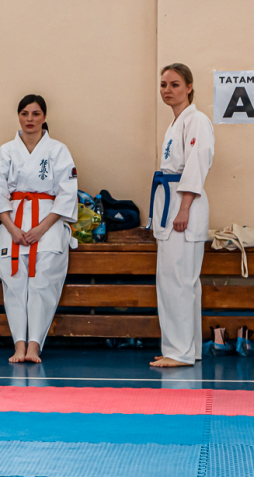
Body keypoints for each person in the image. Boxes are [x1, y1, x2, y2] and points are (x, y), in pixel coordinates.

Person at [0, 94, 78, 364]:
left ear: (44, 117)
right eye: (25, 113)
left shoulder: (58, 150)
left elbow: (67, 193)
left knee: (44, 283)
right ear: (18, 116)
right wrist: (12, 228)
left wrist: (41, 228)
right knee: (14, 283)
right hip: (12, 220)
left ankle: (34, 345)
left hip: (49, 222)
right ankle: (19, 344)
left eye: (36, 114)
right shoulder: (5, 152)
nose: (30, 119)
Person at [149, 64, 213, 368]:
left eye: (175, 84)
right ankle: (187, 349)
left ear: (189, 87)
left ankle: (180, 352)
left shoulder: (196, 120)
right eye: (164, 84)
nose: (167, 90)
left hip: (182, 205)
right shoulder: (177, 123)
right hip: (171, 202)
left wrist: (184, 207)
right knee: (178, 281)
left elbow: (196, 166)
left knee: (179, 281)